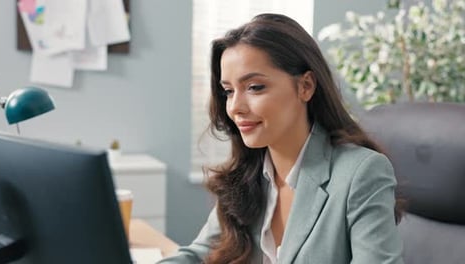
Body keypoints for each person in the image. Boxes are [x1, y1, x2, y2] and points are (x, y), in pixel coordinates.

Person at [159, 13, 404, 263]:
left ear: (305, 86)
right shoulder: (246, 176)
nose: (234, 107)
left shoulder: (361, 173)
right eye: (228, 91)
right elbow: (199, 255)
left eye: (255, 87)